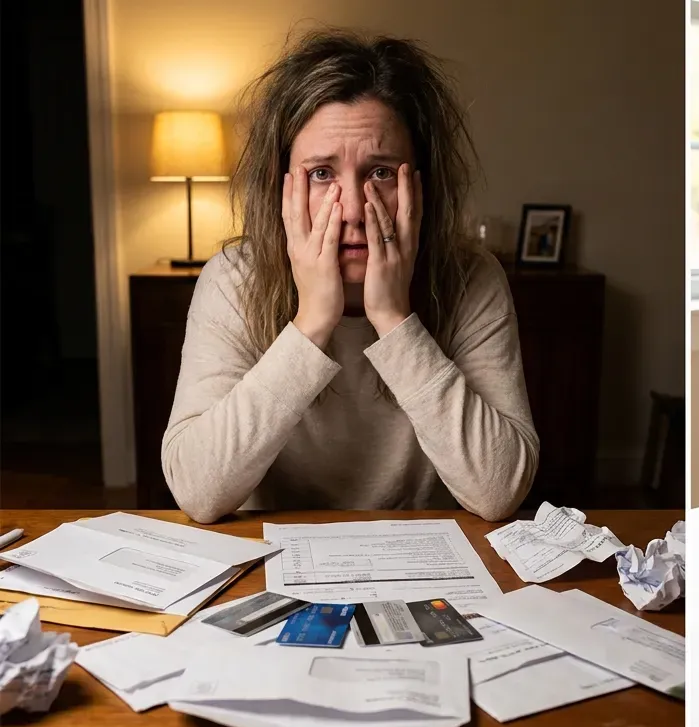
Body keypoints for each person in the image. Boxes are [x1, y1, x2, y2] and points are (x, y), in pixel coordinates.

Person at [162, 30, 539, 524]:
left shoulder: (472, 278)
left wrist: (393, 317)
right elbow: (198, 492)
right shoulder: (233, 280)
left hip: (426, 565)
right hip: (271, 562)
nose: (355, 210)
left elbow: (499, 491)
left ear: (420, 187)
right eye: (321, 173)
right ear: (281, 188)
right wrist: (313, 320)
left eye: (381, 172)